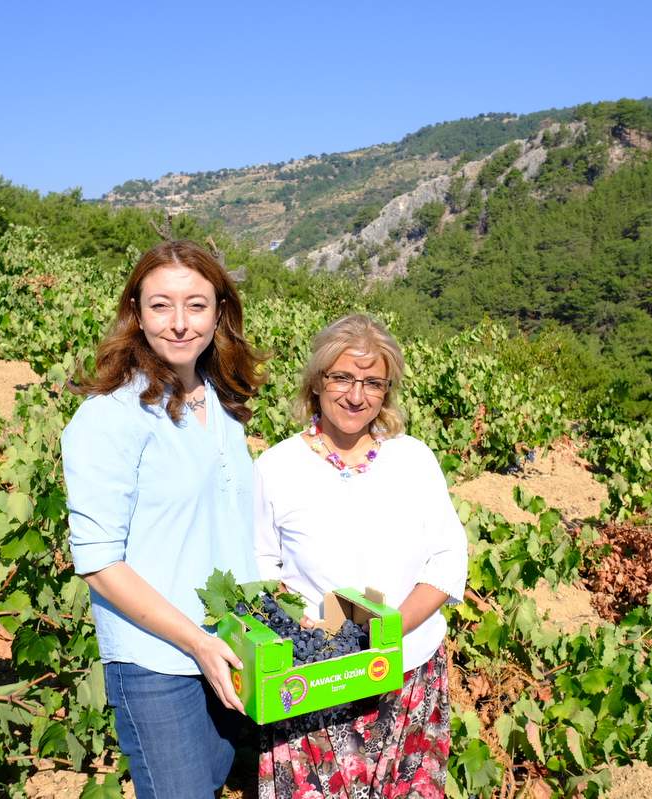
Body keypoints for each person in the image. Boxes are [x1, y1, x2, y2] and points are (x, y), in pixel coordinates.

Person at [61, 239, 264, 799]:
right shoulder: (109, 417)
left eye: (196, 305)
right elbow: (99, 564)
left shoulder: (221, 404)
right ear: (136, 312)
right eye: (161, 305)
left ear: (220, 311)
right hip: (159, 662)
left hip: (230, 647)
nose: (179, 323)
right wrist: (196, 642)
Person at [253, 314, 467, 799]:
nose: (356, 395)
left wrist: (387, 633)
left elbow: (448, 557)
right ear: (317, 382)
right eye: (343, 377)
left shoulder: (413, 458)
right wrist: (314, 633)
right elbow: (262, 567)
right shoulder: (277, 467)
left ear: (387, 391)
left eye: (373, 382)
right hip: (316, 681)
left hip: (409, 671)